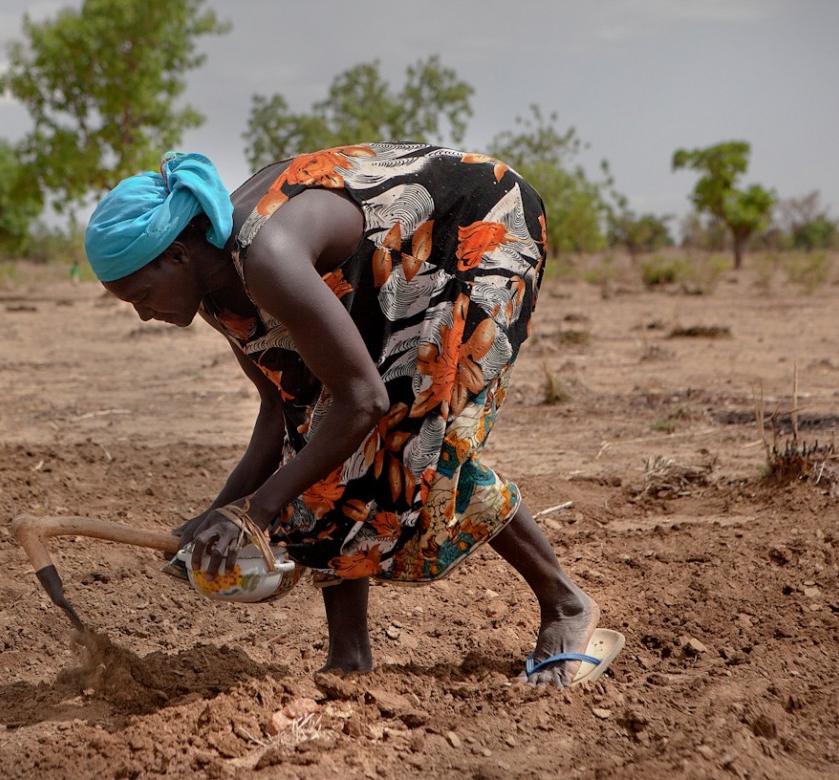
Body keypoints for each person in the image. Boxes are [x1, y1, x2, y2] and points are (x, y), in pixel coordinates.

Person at [83, 143, 622, 688]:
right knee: (320, 447)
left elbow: (364, 401)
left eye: (142, 294)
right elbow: (281, 407)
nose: (144, 314)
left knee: (420, 449)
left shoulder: (266, 256)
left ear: (177, 255)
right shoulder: (214, 288)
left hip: (472, 230)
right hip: (392, 263)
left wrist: (259, 511)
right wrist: (219, 513)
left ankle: (565, 604)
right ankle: (349, 659)